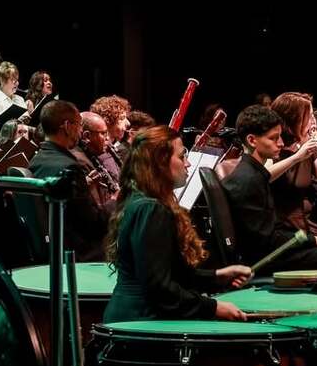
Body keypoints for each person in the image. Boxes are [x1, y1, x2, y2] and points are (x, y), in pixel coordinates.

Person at [103, 125, 251, 322]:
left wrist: (217, 276)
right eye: (182, 157)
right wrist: (213, 307)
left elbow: (170, 274)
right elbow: (159, 288)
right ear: (160, 163)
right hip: (140, 322)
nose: (188, 164)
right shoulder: (151, 209)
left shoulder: (142, 201)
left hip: (136, 316)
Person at [221, 105, 317, 273]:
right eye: (274, 138)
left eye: (280, 136)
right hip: (266, 261)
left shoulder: (255, 173)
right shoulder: (248, 180)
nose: (281, 143)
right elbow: (267, 242)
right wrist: (314, 240)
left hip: (273, 251)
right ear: (252, 140)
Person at [28, 101, 110, 261]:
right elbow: (93, 225)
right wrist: (114, 201)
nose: (80, 132)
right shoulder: (70, 167)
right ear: (67, 126)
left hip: (56, 247)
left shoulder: (36, 160)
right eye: (79, 125)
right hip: (77, 254)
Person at [268, 92, 317, 236]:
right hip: (280, 228)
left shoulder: (308, 148)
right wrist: (298, 156)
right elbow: (262, 176)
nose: (313, 121)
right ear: (293, 120)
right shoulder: (273, 149)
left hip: (302, 224)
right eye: (309, 117)